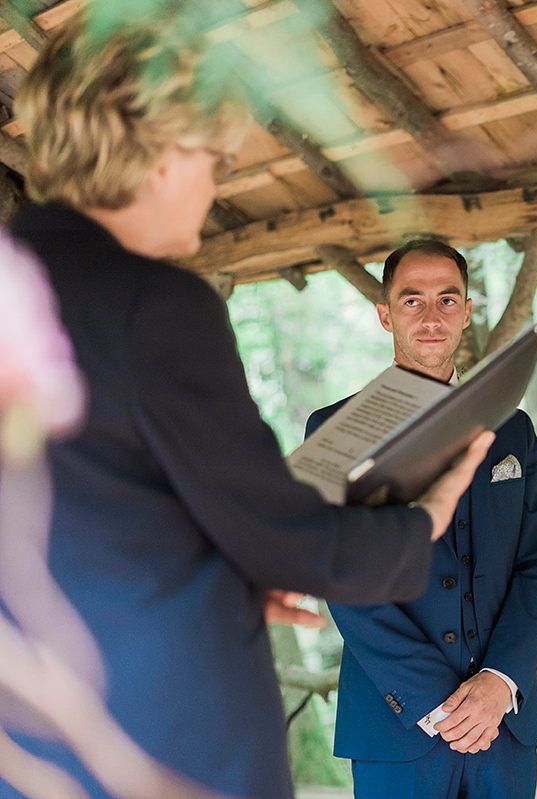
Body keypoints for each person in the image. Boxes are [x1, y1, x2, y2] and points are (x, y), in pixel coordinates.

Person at [1, 12, 492, 799]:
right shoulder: (156, 305)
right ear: (160, 149)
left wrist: (218, 570)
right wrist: (420, 521)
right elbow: (284, 535)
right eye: (217, 158)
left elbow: (96, 512)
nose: (218, 183)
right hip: (162, 738)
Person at [306, 240, 537, 799]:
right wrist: (434, 704)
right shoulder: (336, 431)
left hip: (504, 723)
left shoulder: (513, 431)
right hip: (397, 727)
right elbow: (345, 581)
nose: (431, 316)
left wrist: (499, 681)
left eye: (448, 299)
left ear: (467, 312)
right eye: (411, 299)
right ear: (384, 313)